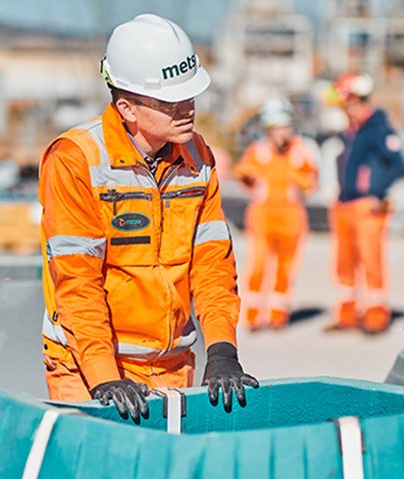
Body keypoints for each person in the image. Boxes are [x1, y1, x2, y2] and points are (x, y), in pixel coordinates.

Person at [38, 13, 258, 420]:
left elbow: (211, 266)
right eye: (170, 101)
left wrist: (222, 350)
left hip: (172, 366)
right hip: (88, 369)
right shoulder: (76, 160)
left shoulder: (198, 157)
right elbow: (77, 282)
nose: (186, 108)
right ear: (127, 107)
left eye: (189, 96)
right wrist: (104, 376)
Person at [326, 72, 404, 333]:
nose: (345, 110)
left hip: (368, 208)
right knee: (344, 263)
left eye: (347, 104)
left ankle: (375, 314)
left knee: (371, 261)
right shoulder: (351, 131)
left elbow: (399, 164)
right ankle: (347, 314)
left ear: (357, 99)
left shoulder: (379, 129)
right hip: (345, 206)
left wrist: (377, 193)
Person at [234, 98, 318, 330]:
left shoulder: (302, 151)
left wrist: (296, 176)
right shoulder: (257, 151)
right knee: (258, 263)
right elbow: (242, 173)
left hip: (291, 216)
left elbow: (312, 182)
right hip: (262, 215)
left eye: (285, 127)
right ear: (268, 129)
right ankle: (252, 312)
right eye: (276, 128)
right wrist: (248, 175)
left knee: (286, 266)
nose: (282, 133)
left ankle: (277, 312)